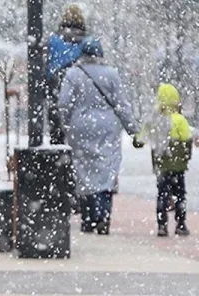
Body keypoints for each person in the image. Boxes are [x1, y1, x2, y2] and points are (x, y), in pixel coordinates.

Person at [59, 38, 138, 235]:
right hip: (108, 128)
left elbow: (64, 103)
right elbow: (121, 104)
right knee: (107, 170)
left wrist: (66, 125)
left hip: (81, 126)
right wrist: (132, 129)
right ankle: (104, 215)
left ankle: (88, 218)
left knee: (84, 171)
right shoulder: (112, 74)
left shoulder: (73, 74)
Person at [134, 84, 193, 237]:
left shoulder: (156, 122)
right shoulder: (180, 120)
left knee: (162, 194)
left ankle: (162, 225)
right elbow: (186, 138)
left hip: (162, 165)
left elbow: (140, 139)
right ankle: (180, 224)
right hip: (178, 166)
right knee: (180, 195)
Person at [46, 4, 87, 146]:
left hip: (56, 80)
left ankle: (57, 150)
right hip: (78, 80)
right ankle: (77, 149)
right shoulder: (86, 41)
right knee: (78, 117)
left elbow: (48, 62)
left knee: (56, 116)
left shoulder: (54, 39)